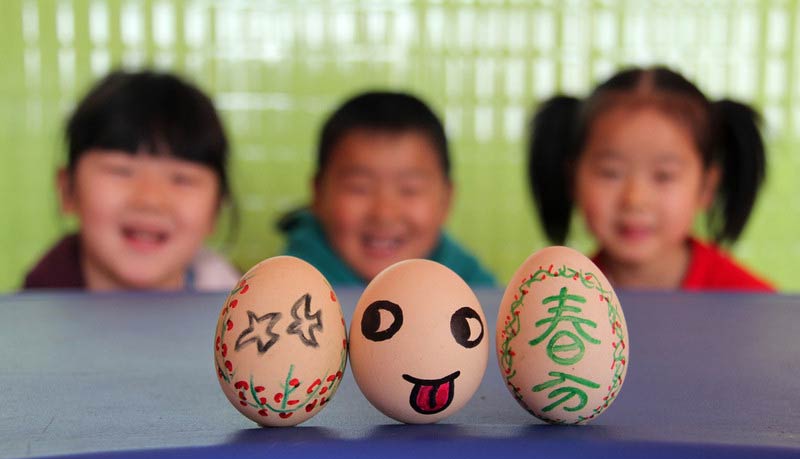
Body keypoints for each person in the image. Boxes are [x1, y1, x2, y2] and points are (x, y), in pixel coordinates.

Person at [527, 66, 774, 291]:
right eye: (610, 172)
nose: (635, 199)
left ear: (706, 187)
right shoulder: (562, 297)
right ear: (573, 180)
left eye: (664, 176)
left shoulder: (749, 301)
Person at [23, 70, 240, 291]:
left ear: (217, 208)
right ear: (67, 190)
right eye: (121, 171)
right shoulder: (25, 313)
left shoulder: (231, 299)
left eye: (181, 179)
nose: (150, 200)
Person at [279, 90, 496, 286]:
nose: (384, 213)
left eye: (410, 189)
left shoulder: (471, 286)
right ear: (318, 193)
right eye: (359, 188)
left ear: (446, 200)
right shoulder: (287, 290)